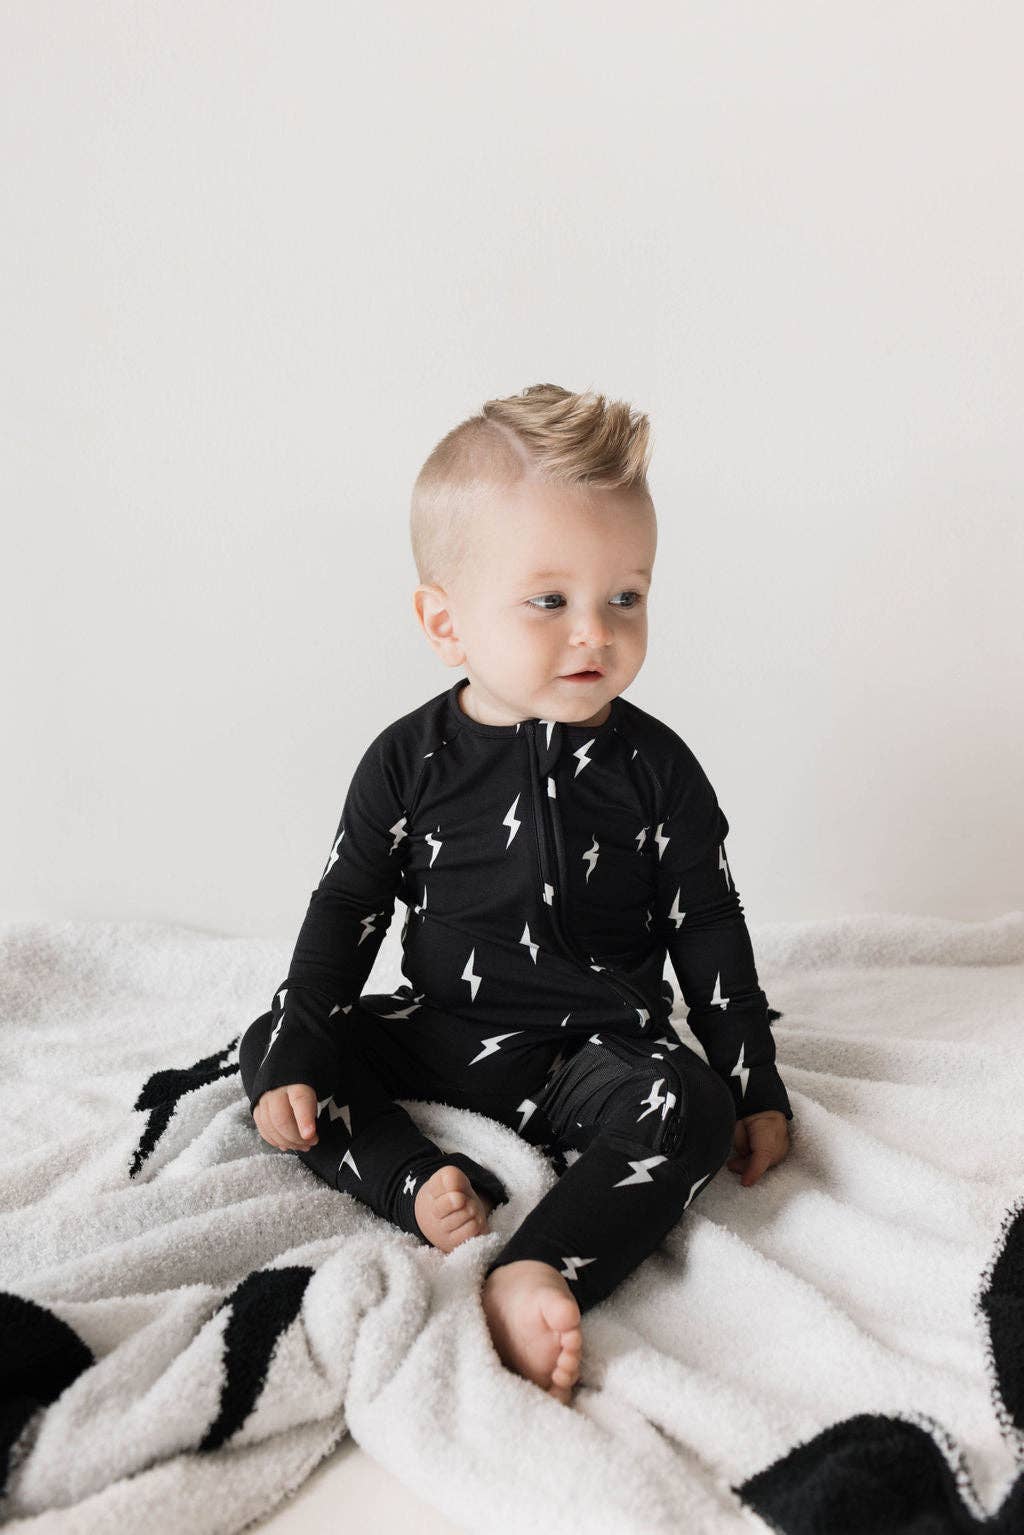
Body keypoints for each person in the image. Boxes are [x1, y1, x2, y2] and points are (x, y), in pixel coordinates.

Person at [238, 382, 793, 1407]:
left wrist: (753, 1078)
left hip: (598, 1058)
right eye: (550, 601)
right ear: (444, 621)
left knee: (693, 1105)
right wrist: (301, 1048)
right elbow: (348, 908)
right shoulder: (408, 762)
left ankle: (538, 1264)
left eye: (625, 597)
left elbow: (708, 922)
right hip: (443, 1035)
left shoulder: (656, 768)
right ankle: (415, 1179)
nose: (595, 633)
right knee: (281, 1042)